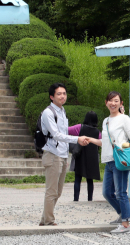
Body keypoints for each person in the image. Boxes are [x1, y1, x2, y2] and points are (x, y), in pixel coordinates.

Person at [39, 83, 89, 226]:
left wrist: (67, 155)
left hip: (62, 155)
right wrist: (77, 139)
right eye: (59, 94)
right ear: (51, 97)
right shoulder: (49, 112)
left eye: (64, 93)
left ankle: (44, 219)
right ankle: (49, 221)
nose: (62, 96)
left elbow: (64, 133)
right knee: (51, 191)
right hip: (52, 155)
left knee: (58, 191)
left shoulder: (62, 111)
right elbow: (56, 135)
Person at [101, 91, 130, 235]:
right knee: (107, 193)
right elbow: (105, 142)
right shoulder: (106, 121)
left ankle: (126, 224)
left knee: (120, 192)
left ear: (121, 103)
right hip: (108, 160)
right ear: (106, 102)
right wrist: (89, 140)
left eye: (116, 101)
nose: (113, 103)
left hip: (120, 160)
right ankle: (123, 215)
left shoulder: (124, 119)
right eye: (110, 100)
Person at [69, 112, 101, 202]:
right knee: (90, 180)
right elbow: (102, 141)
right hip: (92, 158)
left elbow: (66, 130)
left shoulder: (80, 127)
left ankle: (76, 199)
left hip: (80, 155)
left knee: (77, 179)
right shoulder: (97, 132)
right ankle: (90, 199)